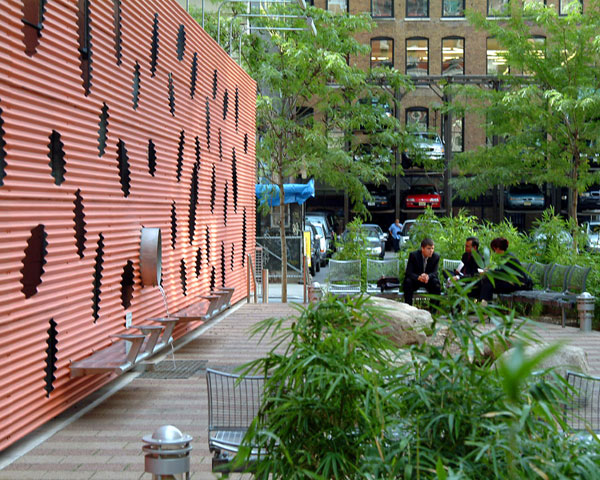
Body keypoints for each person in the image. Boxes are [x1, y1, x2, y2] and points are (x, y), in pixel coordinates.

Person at [479, 237, 532, 304]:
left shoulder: (508, 257)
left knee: (488, 283)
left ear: (497, 248)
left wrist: (489, 272)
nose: (494, 252)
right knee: (488, 282)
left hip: (518, 284)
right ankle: (485, 303)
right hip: (514, 282)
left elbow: (502, 273)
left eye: (494, 249)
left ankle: (484, 304)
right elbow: (502, 271)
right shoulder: (507, 255)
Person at [403, 237, 441, 306]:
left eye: (432, 248)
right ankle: (408, 307)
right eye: (428, 248)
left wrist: (428, 276)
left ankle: (434, 309)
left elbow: (435, 273)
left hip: (428, 280)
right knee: (408, 282)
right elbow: (409, 272)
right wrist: (419, 277)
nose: (431, 251)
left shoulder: (436, 257)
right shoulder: (414, 255)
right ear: (422, 248)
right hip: (416, 280)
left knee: (436, 284)